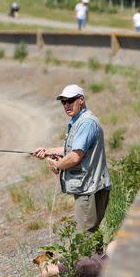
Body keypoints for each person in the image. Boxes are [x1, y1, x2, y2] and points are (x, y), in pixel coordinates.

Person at [32, 84, 112, 234]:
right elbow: (71, 150)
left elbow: (75, 157)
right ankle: (99, 258)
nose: (66, 105)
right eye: (63, 101)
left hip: (90, 189)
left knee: (85, 236)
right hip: (88, 187)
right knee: (90, 234)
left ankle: (94, 258)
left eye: (70, 100)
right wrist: (47, 151)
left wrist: (57, 164)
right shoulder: (79, 120)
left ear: (81, 99)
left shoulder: (86, 123)